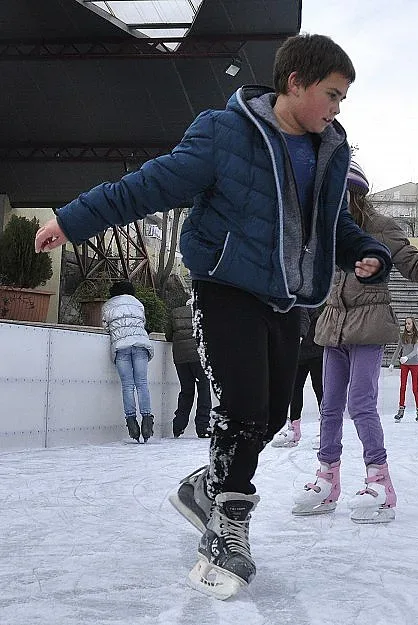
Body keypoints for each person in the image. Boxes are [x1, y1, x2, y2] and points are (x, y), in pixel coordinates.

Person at [35, 34, 393, 599]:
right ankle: (227, 529)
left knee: (273, 415)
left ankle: (207, 487)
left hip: (286, 296)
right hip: (224, 286)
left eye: (343, 99)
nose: (337, 108)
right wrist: (73, 221)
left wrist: (363, 251)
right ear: (295, 82)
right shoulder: (225, 132)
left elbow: (328, 226)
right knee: (244, 410)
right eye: (332, 94)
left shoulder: (331, 148)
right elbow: (148, 186)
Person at [292, 161, 418, 523]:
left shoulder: (380, 229)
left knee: (361, 403)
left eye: (338, 193)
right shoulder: (325, 229)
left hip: (369, 325)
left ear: (355, 194)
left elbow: (414, 265)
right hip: (333, 327)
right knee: (330, 406)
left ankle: (380, 481)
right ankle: (327, 478)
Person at [101, 280, 155, 443]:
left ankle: (131, 423)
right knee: (142, 384)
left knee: (127, 386)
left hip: (121, 347)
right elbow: (143, 323)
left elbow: (106, 327)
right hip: (140, 344)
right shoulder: (138, 304)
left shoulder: (108, 306)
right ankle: (147, 420)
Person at [271, 306, 324, 447]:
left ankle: (326, 429)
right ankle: (294, 430)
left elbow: (303, 316)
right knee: (294, 389)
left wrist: (298, 337)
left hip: (316, 348)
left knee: (320, 389)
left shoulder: (304, 296)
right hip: (299, 353)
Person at [166, 299, 212, 438]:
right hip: (199, 356)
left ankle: (178, 426)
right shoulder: (203, 312)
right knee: (204, 390)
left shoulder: (175, 313)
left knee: (186, 390)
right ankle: (203, 427)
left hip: (180, 358)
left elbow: (168, 336)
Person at [390, 316, 418, 423]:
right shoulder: (403, 337)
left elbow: (415, 351)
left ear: (413, 325)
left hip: (414, 364)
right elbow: (397, 350)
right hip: (404, 365)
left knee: (415, 388)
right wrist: (392, 363)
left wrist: (407, 357)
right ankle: (401, 409)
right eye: (406, 324)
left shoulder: (415, 338)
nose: (407, 325)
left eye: (409, 323)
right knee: (402, 387)